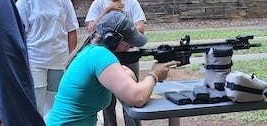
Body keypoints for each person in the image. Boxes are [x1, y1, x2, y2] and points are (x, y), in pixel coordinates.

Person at [47, 11, 177, 125]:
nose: (130, 46)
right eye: (127, 43)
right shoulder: (100, 55)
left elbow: (128, 80)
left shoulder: (91, 51)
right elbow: (137, 98)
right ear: (112, 40)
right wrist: (154, 75)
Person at [16, 0, 79, 119]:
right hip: (35, 61)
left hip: (59, 60)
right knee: (36, 103)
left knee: (56, 103)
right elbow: (18, 34)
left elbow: (72, 30)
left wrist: (68, 56)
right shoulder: (25, 1)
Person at [85, 0, 146, 126]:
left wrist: (125, 38)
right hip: (105, 56)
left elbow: (140, 27)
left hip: (128, 56)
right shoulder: (98, 4)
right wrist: (107, 10)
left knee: (131, 96)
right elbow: (91, 29)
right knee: (107, 101)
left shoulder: (132, 3)